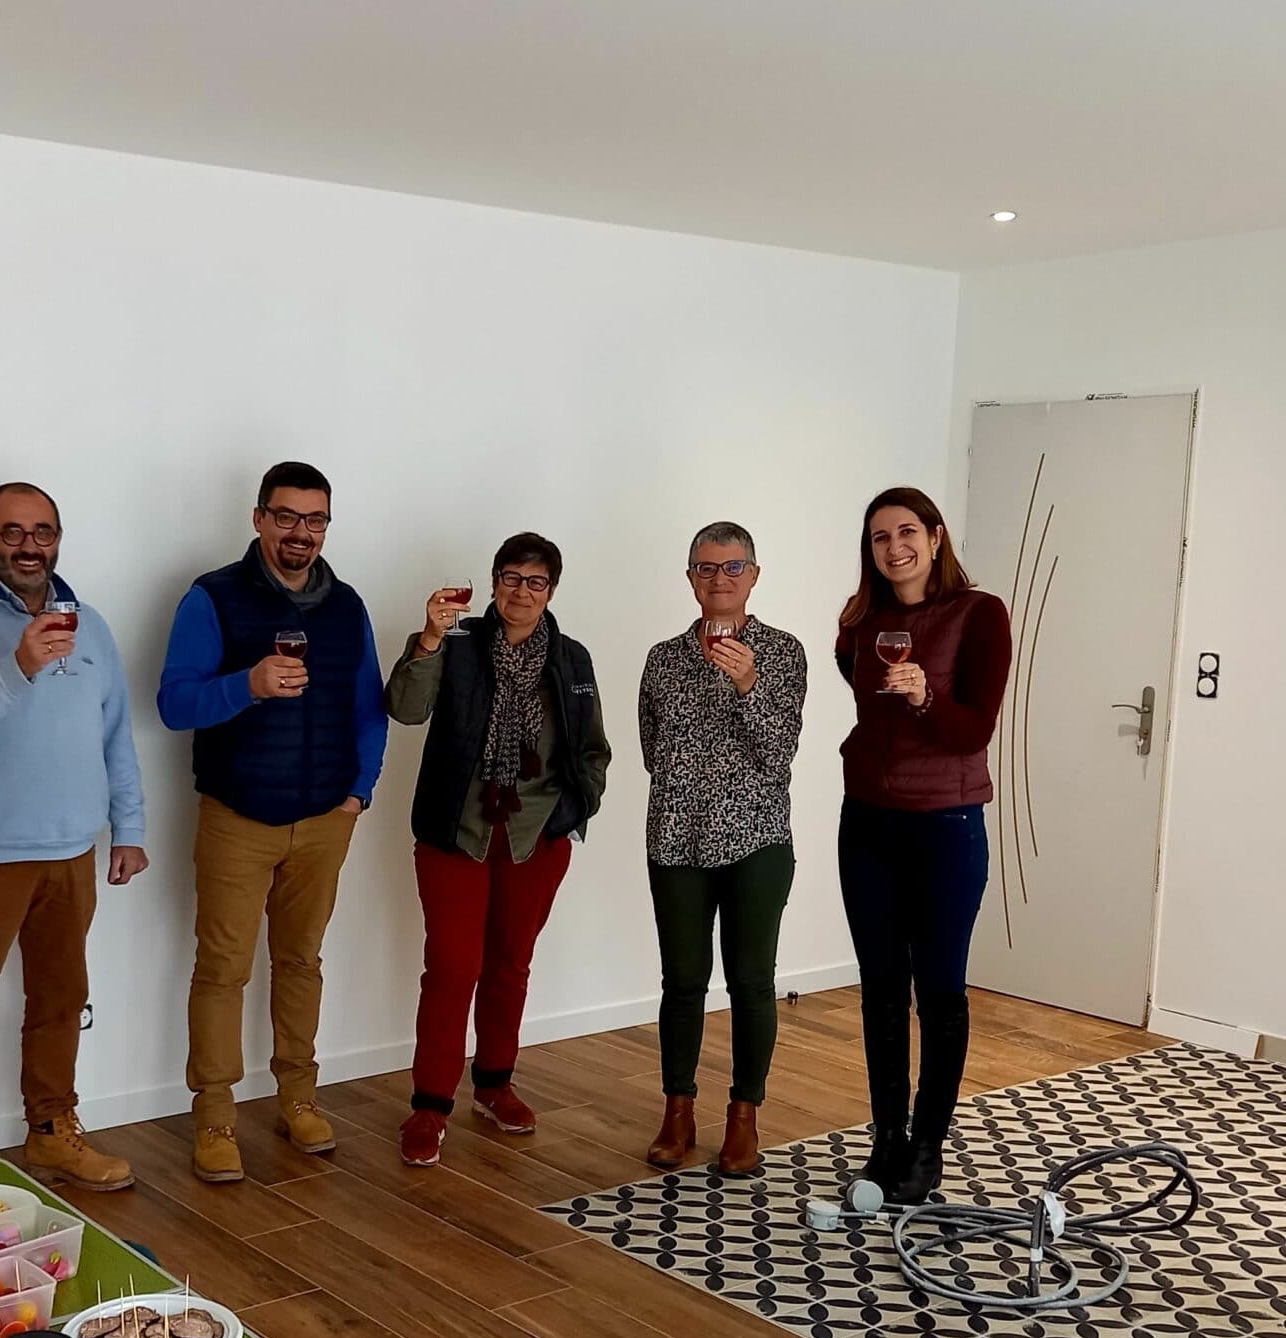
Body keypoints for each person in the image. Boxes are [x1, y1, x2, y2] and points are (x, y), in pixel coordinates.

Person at [0, 482, 145, 1192]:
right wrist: (17, 667)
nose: (28, 545)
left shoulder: (90, 623)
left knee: (62, 1000)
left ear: (59, 537)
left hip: (74, 848)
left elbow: (114, 735)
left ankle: (52, 1132)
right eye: (12, 532)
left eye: (42, 531)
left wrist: (127, 826)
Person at [157, 461, 388, 1183]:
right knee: (222, 969)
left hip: (326, 819)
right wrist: (248, 685)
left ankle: (299, 1097)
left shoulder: (347, 607)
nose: (300, 533)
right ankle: (216, 1118)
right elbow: (173, 704)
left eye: (314, 520)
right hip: (236, 817)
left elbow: (368, 710)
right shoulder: (212, 598)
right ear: (259, 518)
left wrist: (359, 793)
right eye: (286, 516)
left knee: (301, 963)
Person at [385, 534, 610, 1166]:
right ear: (493, 583)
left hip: (535, 838)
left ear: (551, 591)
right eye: (511, 578)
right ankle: (429, 1106)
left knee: (511, 965)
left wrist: (576, 805)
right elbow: (403, 708)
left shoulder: (571, 660)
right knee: (454, 969)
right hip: (457, 835)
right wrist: (427, 639)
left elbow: (592, 747)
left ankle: (494, 1084)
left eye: (535, 582)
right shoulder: (456, 650)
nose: (521, 592)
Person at [836, 487, 1010, 1206]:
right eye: (880, 537)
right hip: (869, 822)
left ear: (936, 539)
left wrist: (925, 698)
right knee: (881, 988)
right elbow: (867, 717)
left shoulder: (980, 613)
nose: (894, 546)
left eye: (908, 531)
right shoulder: (859, 623)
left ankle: (928, 1147)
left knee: (939, 989)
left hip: (946, 825)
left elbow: (973, 732)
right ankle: (886, 1136)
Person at [638, 522, 807, 1177]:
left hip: (757, 839)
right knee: (682, 983)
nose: (719, 579)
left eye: (733, 567)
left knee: (751, 982)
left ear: (754, 576)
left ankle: (744, 1119)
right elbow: (654, 752)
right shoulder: (662, 658)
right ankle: (677, 1113)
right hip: (676, 839)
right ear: (690, 578)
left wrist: (748, 687)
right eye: (706, 568)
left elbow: (780, 750)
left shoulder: (782, 653)